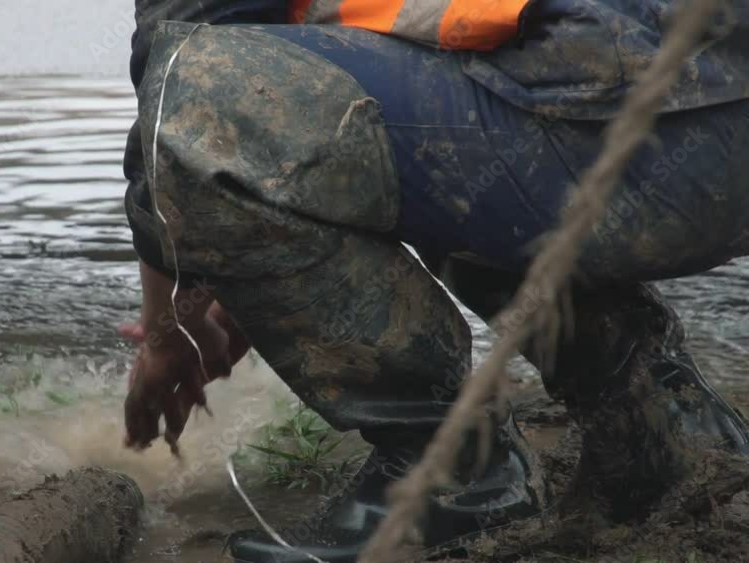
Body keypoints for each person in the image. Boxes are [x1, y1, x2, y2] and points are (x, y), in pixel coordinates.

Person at [118, 1, 749, 561]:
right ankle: (658, 413)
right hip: (698, 104)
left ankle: (448, 469)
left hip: (636, 127)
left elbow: (177, 80)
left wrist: (171, 327)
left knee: (204, 98)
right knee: (427, 105)